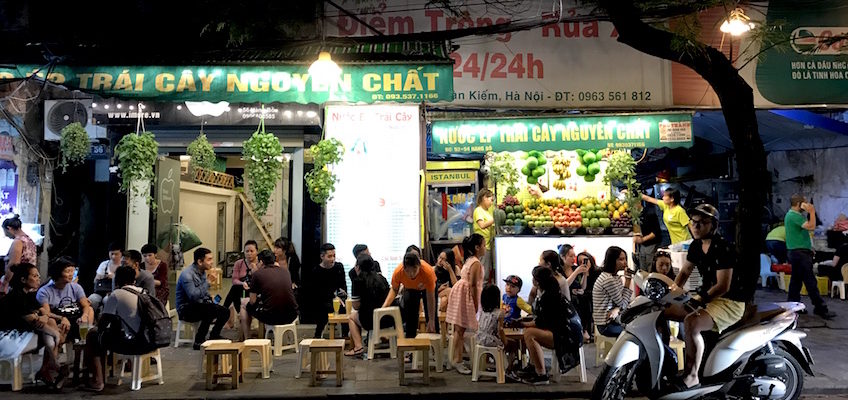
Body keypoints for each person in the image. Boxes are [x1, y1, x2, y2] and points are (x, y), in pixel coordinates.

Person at [665, 204, 749, 389]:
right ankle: (666, 363)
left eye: (703, 223)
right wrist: (670, 291)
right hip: (707, 297)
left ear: (713, 225)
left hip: (729, 301)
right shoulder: (696, 246)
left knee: (691, 322)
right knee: (663, 312)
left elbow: (723, 286)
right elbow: (685, 271)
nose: (696, 226)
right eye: (693, 222)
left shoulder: (723, 248)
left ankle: (692, 376)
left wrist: (699, 299)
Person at [0, 263, 66, 389]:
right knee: (48, 329)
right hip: (8, 337)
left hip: (23, 333)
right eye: (35, 276)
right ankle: (52, 365)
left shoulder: (29, 295)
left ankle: (51, 365)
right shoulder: (16, 296)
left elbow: (45, 314)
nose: (38, 279)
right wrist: (56, 333)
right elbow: (35, 322)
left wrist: (60, 318)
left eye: (38, 276)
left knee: (50, 323)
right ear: (23, 279)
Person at [80, 265, 141, 392]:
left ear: (117, 280)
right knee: (102, 336)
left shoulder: (117, 294)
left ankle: (98, 380)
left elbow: (104, 322)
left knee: (93, 336)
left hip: (133, 342)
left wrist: (94, 327)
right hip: (148, 337)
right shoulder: (142, 291)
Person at [517, 266, 577, 385]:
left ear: (537, 281)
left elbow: (541, 322)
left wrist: (523, 323)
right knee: (530, 331)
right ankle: (533, 367)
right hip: (564, 333)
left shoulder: (548, 297)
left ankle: (541, 375)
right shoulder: (551, 293)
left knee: (529, 333)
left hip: (565, 337)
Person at [784, 195, 835, 319]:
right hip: (799, 254)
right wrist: (812, 212)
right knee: (810, 281)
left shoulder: (792, 215)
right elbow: (812, 226)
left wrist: (809, 247)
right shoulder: (794, 216)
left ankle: (793, 307)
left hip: (798, 252)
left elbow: (800, 235)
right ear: (799, 204)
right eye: (805, 203)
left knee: (796, 282)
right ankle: (820, 308)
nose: (807, 205)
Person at [446, 234, 485, 374]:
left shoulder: (470, 260)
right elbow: (474, 285)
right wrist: (475, 303)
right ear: (477, 247)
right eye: (484, 245)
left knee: (459, 329)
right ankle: (458, 361)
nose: (485, 248)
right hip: (466, 294)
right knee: (460, 330)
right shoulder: (475, 263)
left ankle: (455, 359)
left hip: (461, 292)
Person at [176, 247, 229, 349]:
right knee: (209, 310)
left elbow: (202, 292)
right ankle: (199, 340)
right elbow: (193, 296)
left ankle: (214, 335)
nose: (212, 262)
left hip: (199, 305)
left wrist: (209, 297)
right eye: (209, 259)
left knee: (225, 311)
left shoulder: (203, 271)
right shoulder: (187, 275)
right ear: (200, 261)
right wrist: (208, 282)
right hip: (186, 309)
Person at [238, 250, 298, 341]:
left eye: (257, 262)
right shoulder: (285, 271)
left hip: (272, 317)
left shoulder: (257, 274)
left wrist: (254, 274)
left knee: (244, 305)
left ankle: (247, 338)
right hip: (292, 315)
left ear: (261, 262)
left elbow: (252, 301)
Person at [381, 251, 437, 341]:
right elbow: (394, 289)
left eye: (414, 270)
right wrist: (385, 306)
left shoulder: (427, 271)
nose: (411, 274)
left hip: (427, 288)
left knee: (432, 318)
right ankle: (410, 345)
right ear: (404, 268)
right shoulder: (398, 271)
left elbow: (430, 297)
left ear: (419, 266)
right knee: (411, 317)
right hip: (410, 289)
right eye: (407, 271)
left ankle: (434, 342)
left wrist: (431, 319)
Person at [36, 257, 94, 342]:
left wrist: (84, 316)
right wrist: (62, 318)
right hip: (58, 320)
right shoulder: (44, 291)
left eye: (73, 271)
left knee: (89, 310)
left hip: (75, 318)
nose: (71, 274)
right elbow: (46, 313)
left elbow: (85, 305)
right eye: (67, 271)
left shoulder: (76, 287)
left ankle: (84, 339)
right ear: (58, 273)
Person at [345, 253, 392, 357]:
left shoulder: (357, 281)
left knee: (351, 318)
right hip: (387, 319)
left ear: (357, 267)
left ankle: (358, 347)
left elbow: (356, 306)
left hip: (369, 321)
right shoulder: (382, 278)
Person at [592, 246, 634, 337]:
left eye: (625, 259)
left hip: (614, 320)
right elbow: (623, 304)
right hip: (606, 325)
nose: (625, 262)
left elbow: (621, 302)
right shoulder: (608, 279)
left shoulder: (615, 277)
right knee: (635, 331)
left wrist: (618, 309)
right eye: (621, 259)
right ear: (612, 261)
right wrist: (628, 280)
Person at [308, 243, 347, 338]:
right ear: (322, 256)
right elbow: (316, 293)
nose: (332, 259)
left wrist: (343, 293)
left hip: (337, 299)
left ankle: (345, 334)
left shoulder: (339, 267)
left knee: (345, 307)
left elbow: (343, 285)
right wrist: (333, 296)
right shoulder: (316, 271)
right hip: (322, 301)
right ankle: (318, 334)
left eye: (334, 256)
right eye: (329, 256)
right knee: (324, 308)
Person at [0, 214, 37, 293]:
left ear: (9, 229)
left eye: (5, 232)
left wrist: (5, 283)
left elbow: (13, 264)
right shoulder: (30, 240)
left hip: (19, 283)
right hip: (28, 281)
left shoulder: (18, 242)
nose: (6, 236)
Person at [223, 240, 260, 317]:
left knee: (235, 290)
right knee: (234, 289)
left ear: (257, 251)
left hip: (256, 290)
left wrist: (255, 270)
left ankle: (225, 311)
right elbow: (234, 280)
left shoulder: (260, 263)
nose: (249, 253)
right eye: (247, 251)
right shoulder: (239, 263)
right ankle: (231, 311)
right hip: (243, 288)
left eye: (251, 251)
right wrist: (242, 283)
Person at [87, 242, 123, 311]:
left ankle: (105, 318)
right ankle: (93, 317)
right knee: (92, 299)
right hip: (101, 290)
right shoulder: (104, 264)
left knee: (108, 300)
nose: (113, 256)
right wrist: (101, 277)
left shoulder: (123, 265)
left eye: (116, 254)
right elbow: (95, 281)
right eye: (112, 254)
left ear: (121, 254)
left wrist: (114, 277)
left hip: (115, 292)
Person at [577, 251, 601, 341]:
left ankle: (586, 330)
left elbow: (597, 290)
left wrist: (584, 292)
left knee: (585, 299)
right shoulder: (580, 273)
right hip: (586, 297)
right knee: (582, 299)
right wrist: (585, 274)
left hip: (597, 296)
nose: (583, 264)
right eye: (580, 262)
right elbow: (582, 286)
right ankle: (585, 330)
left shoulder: (598, 271)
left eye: (585, 261)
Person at [473, 188, 496, 284]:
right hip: (482, 245)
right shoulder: (478, 210)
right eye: (491, 200)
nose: (491, 203)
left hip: (488, 245)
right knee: (483, 273)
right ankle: (481, 294)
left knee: (487, 271)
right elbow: (482, 225)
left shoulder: (487, 211)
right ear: (484, 198)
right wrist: (495, 219)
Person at [634, 202, 663, 270]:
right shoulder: (635, 215)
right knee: (642, 268)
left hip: (651, 244)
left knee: (650, 267)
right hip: (642, 246)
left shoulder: (649, 213)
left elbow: (656, 232)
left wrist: (643, 239)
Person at [476, 284, 505, 349]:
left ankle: (487, 359)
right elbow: (500, 330)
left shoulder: (482, 312)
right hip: (491, 341)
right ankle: (506, 359)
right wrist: (505, 342)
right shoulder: (500, 313)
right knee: (513, 344)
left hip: (479, 339)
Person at [435, 248, 459, 312]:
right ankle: (456, 315)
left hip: (449, 295)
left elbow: (456, 286)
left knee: (444, 301)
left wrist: (450, 270)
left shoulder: (455, 269)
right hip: (437, 292)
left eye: (443, 259)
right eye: (439, 257)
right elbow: (430, 289)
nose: (440, 261)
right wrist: (439, 288)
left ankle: (444, 321)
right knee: (449, 290)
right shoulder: (433, 269)